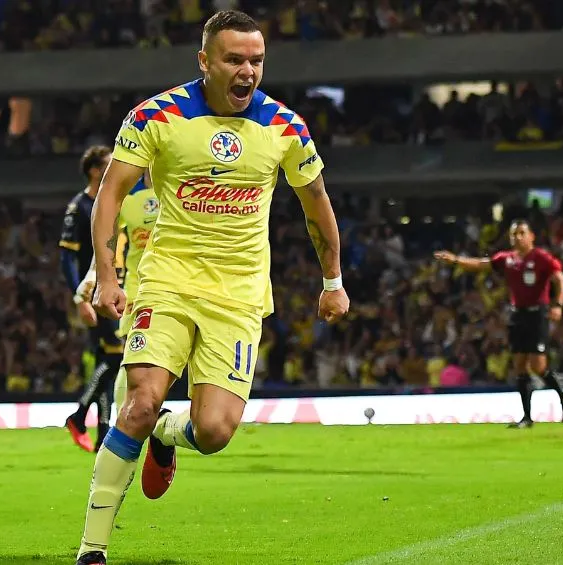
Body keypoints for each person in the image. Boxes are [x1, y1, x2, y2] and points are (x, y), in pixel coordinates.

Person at [75, 10, 350, 565]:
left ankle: (165, 437)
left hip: (240, 295)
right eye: (234, 59)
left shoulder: (285, 128)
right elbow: (110, 193)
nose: (247, 71)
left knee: (216, 430)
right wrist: (106, 276)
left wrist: (333, 281)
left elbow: (316, 202)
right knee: (138, 404)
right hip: (167, 283)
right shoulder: (157, 114)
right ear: (205, 61)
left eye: (256, 61)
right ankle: (92, 549)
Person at [434, 219, 563, 428]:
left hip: (537, 314)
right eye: (514, 234)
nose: (517, 237)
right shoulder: (507, 259)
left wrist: (558, 304)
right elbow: (481, 265)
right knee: (519, 366)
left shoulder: (541, 258)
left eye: (521, 233)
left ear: (531, 236)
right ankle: (527, 417)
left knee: (538, 366)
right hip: (518, 315)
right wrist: (455, 260)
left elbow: (559, 279)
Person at [60, 146, 126, 453]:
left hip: (114, 289)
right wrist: (80, 298)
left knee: (107, 360)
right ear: (95, 170)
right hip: (94, 293)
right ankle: (77, 415)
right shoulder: (80, 206)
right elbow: (67, 258)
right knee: (115, 357)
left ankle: (102, 433)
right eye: (110, 165)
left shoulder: (113, 203)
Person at [75, 171, 158, 412]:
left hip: (177, 284)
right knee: (132, 356)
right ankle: (124, 424)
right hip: (138, 289)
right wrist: (95, 275)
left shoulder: (178, 190)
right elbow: (107, 236)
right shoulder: (128, 196)